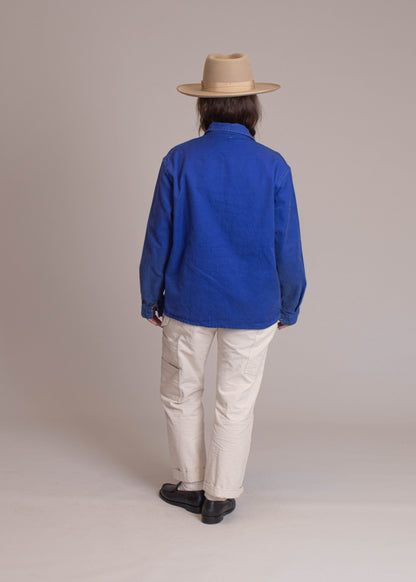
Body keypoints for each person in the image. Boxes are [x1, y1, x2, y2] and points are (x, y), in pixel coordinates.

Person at [139, 53, 307, 524]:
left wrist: (150, 295)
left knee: (181, 394)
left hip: (187, 299)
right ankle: (220, 496)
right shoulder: (273, 166)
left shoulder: (179, 160)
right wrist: (289, 303)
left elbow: (158, 237)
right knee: (236, 402)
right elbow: (286, 243)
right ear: (252, 106)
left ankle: (190, 484)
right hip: (253, 305)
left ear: (204, 106)